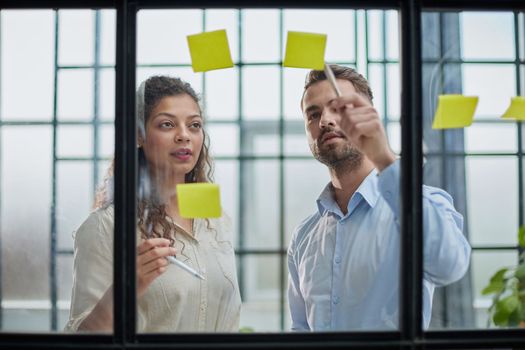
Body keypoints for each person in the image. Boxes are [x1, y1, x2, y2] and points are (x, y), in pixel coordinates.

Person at [287, 65, 471, 331]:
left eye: (338, 108)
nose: (325, 120)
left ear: (367, 115)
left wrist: (384, 157)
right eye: (312, 114)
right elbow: (301, 328)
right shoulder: (303, 236)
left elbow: (449, 266)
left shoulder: (422, 204)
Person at [65, 76, 241, 332]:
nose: (184, 136)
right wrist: (127, 286)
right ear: (139, 135)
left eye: (194, 125)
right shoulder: (106, 227)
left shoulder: (216, 219)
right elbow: (80, 341)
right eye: (167, 124)